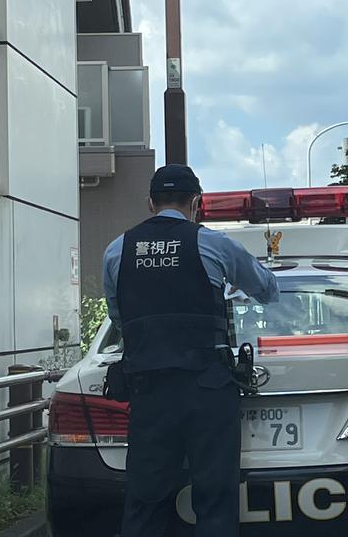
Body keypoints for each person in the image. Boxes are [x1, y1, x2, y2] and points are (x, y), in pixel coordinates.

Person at [102, 164, 279, 537]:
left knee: (145, 501)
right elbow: (266, 289)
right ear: (196, 203)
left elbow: (120, 317)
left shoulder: (118, 251)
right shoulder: (213, 244)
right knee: (214, 501)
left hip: (148, 391)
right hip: (208, 389)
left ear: (150, 203)